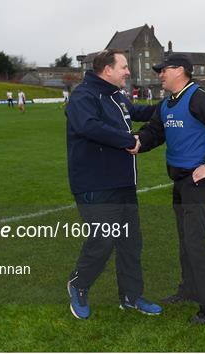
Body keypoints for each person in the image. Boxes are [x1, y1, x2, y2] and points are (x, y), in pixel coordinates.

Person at [136, 53, 205, 325]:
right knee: (185, 238)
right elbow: (155, 132)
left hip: (198, 181)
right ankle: (190, 288)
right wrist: (137, 143)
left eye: (163, 70)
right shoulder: (168, 103)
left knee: (196, 240)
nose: (159, 75)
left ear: (180, 70)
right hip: (180, 181)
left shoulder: (198, 97)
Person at [65, 48, 161, 320]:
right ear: (107, 70)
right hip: (95, 184)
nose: (128, 72)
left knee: (131, 242)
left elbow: (138, 112)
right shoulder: (83, 96)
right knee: (103, 240)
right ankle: (79, 284)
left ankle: (131, 296)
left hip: (123, 183)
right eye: (124, 67)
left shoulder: (116, 96)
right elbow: (88, 127)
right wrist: (129, 140)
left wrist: (170, 105)